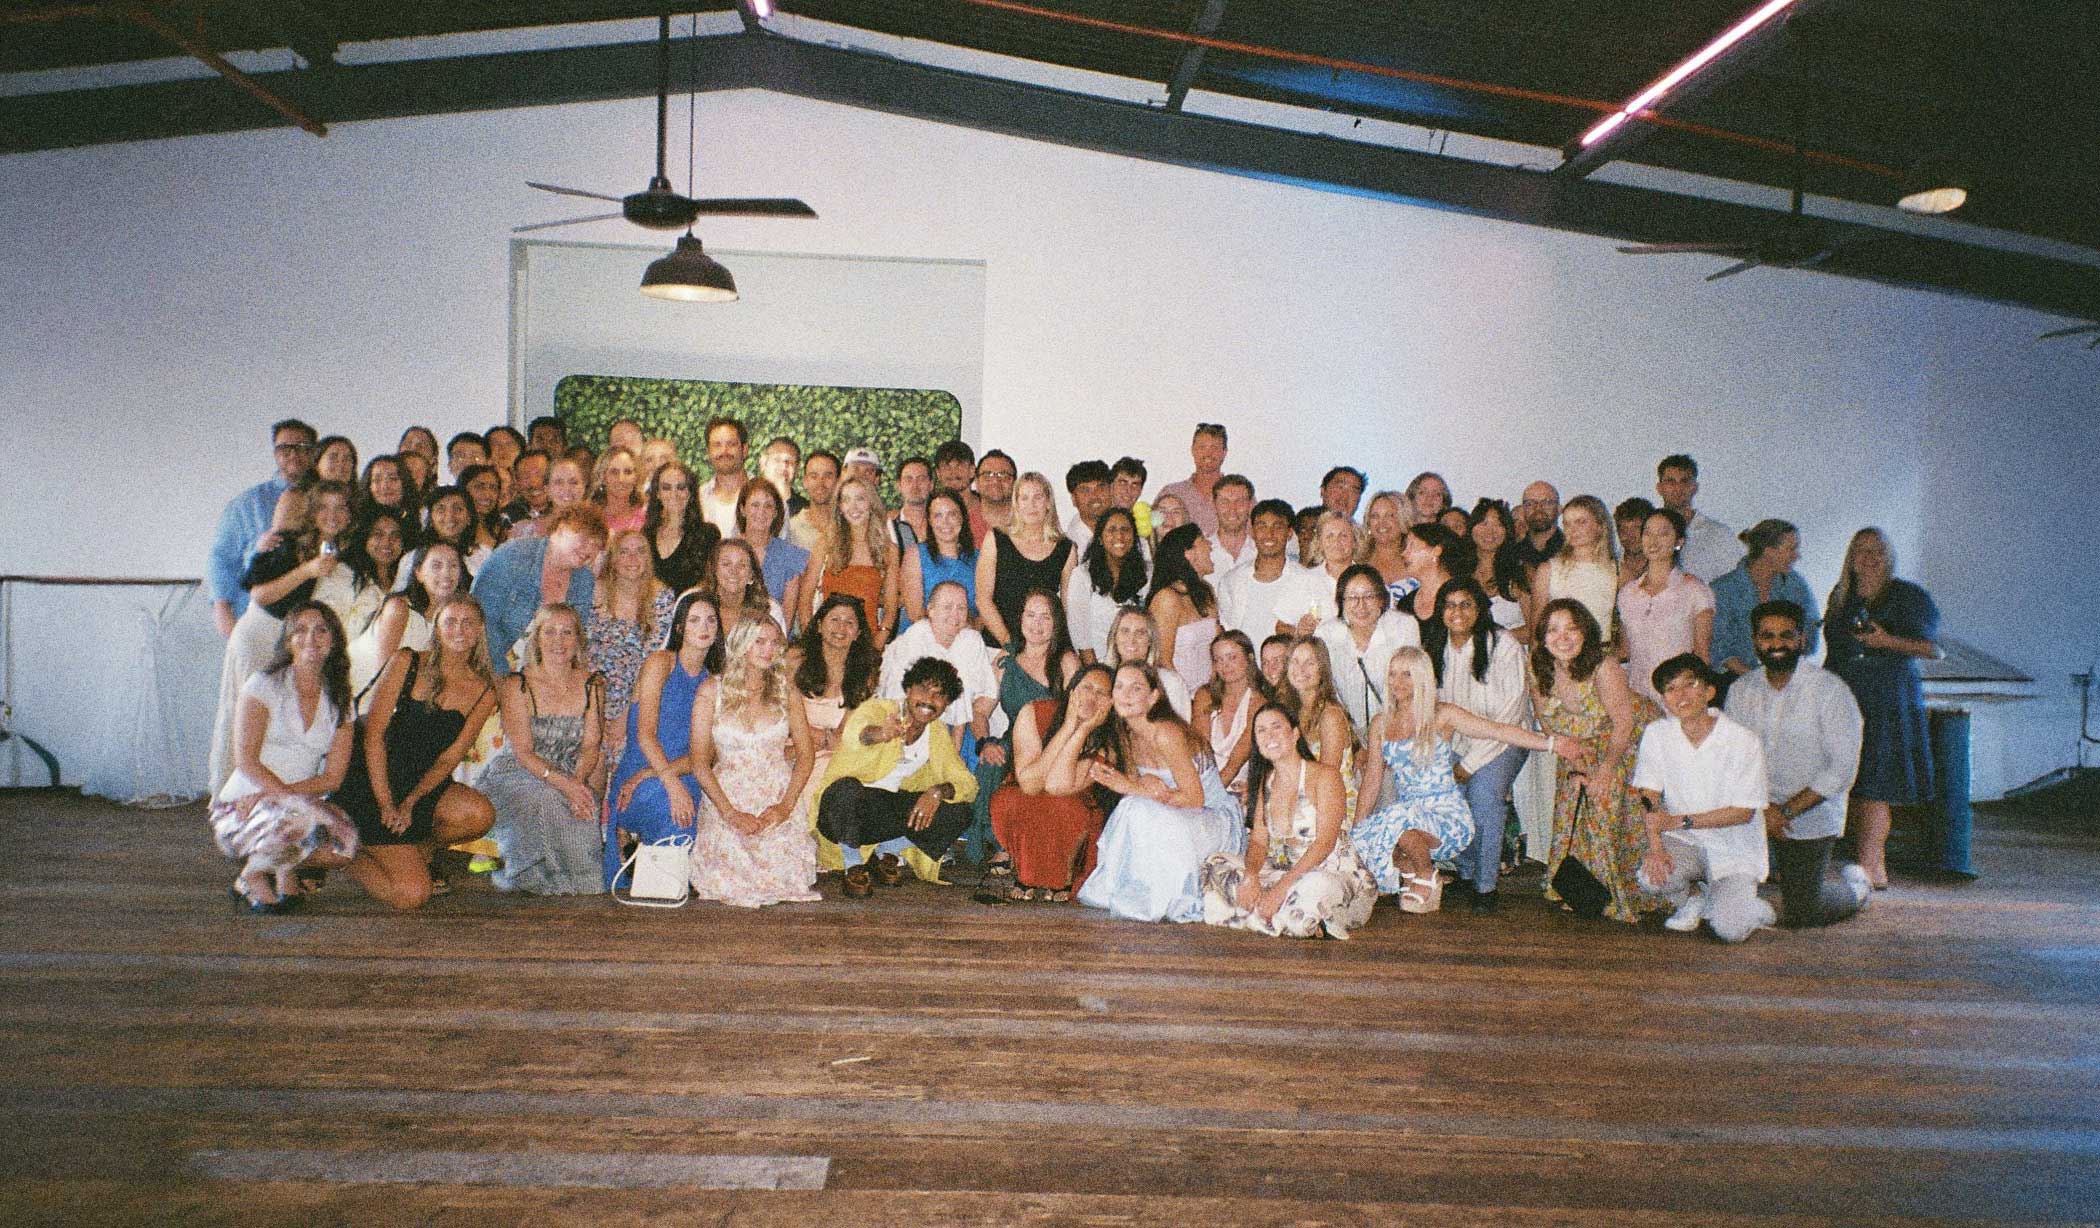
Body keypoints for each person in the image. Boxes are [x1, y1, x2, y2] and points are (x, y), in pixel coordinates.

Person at [1354, 648, 1577, 911]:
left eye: (1407, 674)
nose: (1397, 682)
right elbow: (1372, 780)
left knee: (1397, 819)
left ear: (1422, 677)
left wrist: (1550, 744)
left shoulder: (1442, 714)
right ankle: (1409, 867)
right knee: (1366, 833)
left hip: (1446, 817)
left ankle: (1426, 873)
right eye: (1392, 674)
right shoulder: (1380, 723)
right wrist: (1358, 827)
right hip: (1408, 814)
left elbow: (1496, 731)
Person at [327, 596, 499, 909]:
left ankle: (417, 853)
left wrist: (410, 802)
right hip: (371, 778)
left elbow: (449, 758)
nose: (459, 630)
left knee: (480, 814)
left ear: (479, 631)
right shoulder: (408, 661)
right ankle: (346, 855)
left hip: (420, 784)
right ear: (437, 627)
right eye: (450, 622)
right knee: (412, 895)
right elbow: (373, 735)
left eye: (468, 623)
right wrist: (386, 803)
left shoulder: (484, 690)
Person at [1725, 600, 1873, 927]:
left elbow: (1841, 770)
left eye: (1786, 635)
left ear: (1802, 639)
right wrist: (1763, 811)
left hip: (1809, 813)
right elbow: (1733, 759)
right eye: (1767, 636)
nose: (1776, 644)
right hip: (1755, 810)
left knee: (1804, 910)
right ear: (1755, 641)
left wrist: (1786, 811)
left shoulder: (1831, 691)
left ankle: (1857, 888)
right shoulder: (1740, 691)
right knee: (1726, 888)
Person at [208, 480, 359, 792]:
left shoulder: (347, 553)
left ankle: (280, 796)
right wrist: (308, 571)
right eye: (323, 507)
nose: (332, 515)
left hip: (301, 644)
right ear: (311, 512)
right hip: (263, 634)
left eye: (340, 507)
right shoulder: (288, 544)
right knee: (242, 722)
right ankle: (230, 799)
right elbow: (260, 594)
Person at [213, 602, 357, 910]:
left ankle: (278, 867)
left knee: (345, 845)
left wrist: (283, 796)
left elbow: (333, 777)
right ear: (288, 640)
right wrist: (280, 798)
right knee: (300, 819)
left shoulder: (341, 697)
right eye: (300, 630)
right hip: (244, 802)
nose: (311, 639)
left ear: (334, 640)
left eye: (321, 630)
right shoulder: (263, 685)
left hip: (289, 801)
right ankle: (254, 875)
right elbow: (246, 760)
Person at [1076, 662, 1244, 922]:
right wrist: (1138, 786)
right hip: (1174, 816)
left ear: (1153, 697)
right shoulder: (1127, 735)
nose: (1126, 695)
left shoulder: (1165, 733)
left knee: (1138, 806)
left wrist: (1131, 787)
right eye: (1119, 687)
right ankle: (1134, 891)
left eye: (1136, 688)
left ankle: (1163, 899)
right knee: (1133, 807)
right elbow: (1143, 789)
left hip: (1212, 819)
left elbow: (1195, 800)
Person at [1824, 527, 1941, 888]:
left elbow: (1933, 649)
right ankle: (1860, 864)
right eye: (1862, 550)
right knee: (1852, 780)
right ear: (1851, 557)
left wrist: (1887, 641)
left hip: (1889, 699)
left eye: (1877, 551)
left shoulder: (1908, 596)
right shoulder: (1841, 596)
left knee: (1877, 784)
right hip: (1847, 695)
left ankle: (1873, 867)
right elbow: (1834, 652)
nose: (1869, 558)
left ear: (1889, 556)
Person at [1199, 701, 1376, 939]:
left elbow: (1324, 844)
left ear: (1294, 734)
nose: (1269, 736)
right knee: (1214, 864)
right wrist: (1251, 877)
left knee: (1314, 886)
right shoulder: (1266, 782)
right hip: (1283, 873)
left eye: (1276, 727)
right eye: (1261, 731)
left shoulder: (1325, 776)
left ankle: (1261, 915)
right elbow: (1259, 841)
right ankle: (1283, 917)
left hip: (1329, 874)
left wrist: (1280, 890)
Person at [1532, 598, 1661, 923]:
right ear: (1543, 638)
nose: (1562, 638)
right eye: (1553, 630)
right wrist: (1577, 762)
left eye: (1571, 629)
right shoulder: (1538, 668)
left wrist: (1604, 771)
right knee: (1574, 797)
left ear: (1586, 633)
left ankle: (1615, 891)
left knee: (1603, 797)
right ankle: (1580, 888)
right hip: (1575, 745)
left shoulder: (1604, 667)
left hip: (1625, 741)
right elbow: (1548, 725)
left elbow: (1624, 724)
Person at [1632, 654, 1775, 942]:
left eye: (1690, 685)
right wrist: (1656, 848)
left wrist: (1679, 821)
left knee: (1730, 931)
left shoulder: (1743, 740)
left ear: (1709, 691)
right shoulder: (1658, 733)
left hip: (1734, 849)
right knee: (1650, 877)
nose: (1680, 695)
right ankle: (1692, 898)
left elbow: (1743, 813)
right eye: (1671, 689)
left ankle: (1748, 907)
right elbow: (1648, 796)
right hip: (1686, 841)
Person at [816, 657, 980, 898]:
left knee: (960, 811)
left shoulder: (936, 732)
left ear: (946, 704)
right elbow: (857, 734)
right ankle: (853, 865)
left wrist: (937, 792)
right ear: (908, 689)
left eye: (940, 695)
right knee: (846, 789)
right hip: (844, 812)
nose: (929, 699)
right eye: (923, 689)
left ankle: (888, 854)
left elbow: (967, 783)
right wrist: (882, 733)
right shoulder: (879, 709)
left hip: (888, 810)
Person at [687, 617, 823, 907]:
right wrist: (729, 813)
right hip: (727, 796)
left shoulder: (786, 691)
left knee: (782, 875)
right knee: (731, 877)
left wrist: (785, 806)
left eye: (774, 643)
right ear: (741, 643)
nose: (768, 650)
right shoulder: (711, 691)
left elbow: (806, 754)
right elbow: (699, 762)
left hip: (776, 793)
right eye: (759, 641)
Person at [480, 603, 605, 895]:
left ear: (578, 639)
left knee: (582, 805)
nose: (558, 641)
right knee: (548, 798)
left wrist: (577, 784)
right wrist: (565, 786)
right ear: (536, 639)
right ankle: (531, 875)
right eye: (550, 632)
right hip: (520, 772)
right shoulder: (516, 684)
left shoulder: (593, 684)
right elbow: (523, 752)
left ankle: (583, 885)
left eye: (567, 632)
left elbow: (591, 746)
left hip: (572, 770)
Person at [1425, 577, 1531, 910]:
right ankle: (1466, 870)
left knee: (1484, 796)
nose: (1457, 612)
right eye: (1449, 605)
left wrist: (1469, 765)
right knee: (1440, 796)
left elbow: (1511, 715)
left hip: (1506, 741)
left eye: (1466, 604)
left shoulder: (1503, 645)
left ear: (1480, 609)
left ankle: (1486, 885)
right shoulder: (1436, 646)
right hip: (1456, 741)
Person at [607, 591, 725, 883]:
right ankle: (636, 853)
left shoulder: (715, 682)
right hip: (639, 774)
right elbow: (645, 735)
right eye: (694, 620)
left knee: (696, 821)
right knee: (676, 815)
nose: (704, 627)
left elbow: (706, 755)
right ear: (680, 627)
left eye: (711, 620)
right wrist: (668, 783)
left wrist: (660, 777)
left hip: (682, 773)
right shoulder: (660, 663)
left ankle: (652, 870)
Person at [970, 587, 1081, 872]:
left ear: (1056, 622)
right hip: (1016, 742)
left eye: (1045, 617)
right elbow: (980, 711)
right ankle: (1003, 846)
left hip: (1056, 742)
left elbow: (1079, 714)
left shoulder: (1066, 660)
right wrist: (984, 742)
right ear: (1020, 619)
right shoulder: (1005, 660)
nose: (1037, 624)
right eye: (1030, 615)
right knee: (993, 759)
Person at [988, 662, 1113, 900]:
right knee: (1013, 800)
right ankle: (1026, 872)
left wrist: (1082, 730)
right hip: (1027, 791)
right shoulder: (1034, 711)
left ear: (1110, 703)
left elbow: (1057, 786)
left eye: (1101, 693)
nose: (1091, 698)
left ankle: (1062, 876)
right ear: (1072, 690)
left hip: (1074, 803)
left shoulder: (1110, 738)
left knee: (1062, 805)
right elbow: (1029, 784)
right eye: (1086, 688)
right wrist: (1067, 726)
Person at [878, 581, 1003, 774]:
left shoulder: (971, 640)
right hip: (910, 723)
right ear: (931, 610)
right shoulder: (915, 636)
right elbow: (898, 700)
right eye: (947, 607)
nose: (955, 614)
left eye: (961, 608)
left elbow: (969, 700)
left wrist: (954, 752)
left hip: (958, 728)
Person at [471, 503, 607, 677]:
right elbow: (481, 621)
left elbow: (575, 639)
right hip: (491, 668)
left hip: (545, 676)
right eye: (584, 538)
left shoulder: (584, 579)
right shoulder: (513, 556)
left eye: (596, 545)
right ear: (560, 530)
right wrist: (503, 678)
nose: (589, 549)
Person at [209, 418, 315, 637]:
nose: (293, 454)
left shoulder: (327, 501)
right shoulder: (248, 504)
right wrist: (223, 612)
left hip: (311, 625)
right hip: (256, 620)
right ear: (275, 453)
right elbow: (221, 560)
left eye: (302, 447)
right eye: (284, 448)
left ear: (314, 452)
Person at [1619, 508, 1717, 705]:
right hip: (1637, 696)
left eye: (1663, 534)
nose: (1653, 541)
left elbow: (1702, 656)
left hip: (1678, 696)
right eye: (1648, 533)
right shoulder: (1627, 593)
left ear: (1679, 542)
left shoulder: (1695, 590)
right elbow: (1625, 651)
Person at [349, 541, 464, 703]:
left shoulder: (447, 621)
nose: (446, 573)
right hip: (361, 699)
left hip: (398, 702)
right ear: (419, 573)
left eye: (453, 566)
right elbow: (382, 677)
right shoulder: (398, 608)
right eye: (436, 566)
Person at [1315, 563, 1420, 738]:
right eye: (1352, 597)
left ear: (1381, 599)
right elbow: (1325, 692)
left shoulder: (1403, 627)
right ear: (1341, 602)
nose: (1361, 605)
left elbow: (1415, 686)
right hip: (1349, 735)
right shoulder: (1326, 635)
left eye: (1369, 596)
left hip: (1399, 731)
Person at [1710, 519, 1821, 685]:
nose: (1797, 556)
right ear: (1769, 552)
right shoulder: (1723, 589)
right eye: (1791, 549)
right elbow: (1718, 647)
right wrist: (1759, 681)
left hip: (1785, 678)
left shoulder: (1794, 584)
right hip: (1736, 680)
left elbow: (1810, 627)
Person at [977, 472, 1075, 649]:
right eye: (1024, 498)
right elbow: (983, 600)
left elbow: (1066, 609)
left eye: (1038, 497)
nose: (1031, 505)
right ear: (1016, 503)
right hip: (998, 645)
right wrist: (1011, 646)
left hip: (1043, 647)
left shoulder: (1066, 548)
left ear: (1048, 503)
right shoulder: (996, 539)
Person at [805, 476, 900, 645]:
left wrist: (879, 642)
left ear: (871, 503)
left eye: (860, 499)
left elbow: (891, 607)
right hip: (827, 642)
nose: (853, 507)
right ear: (840, 507)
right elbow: (805, 598)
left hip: (867, 643)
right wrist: (811, 640)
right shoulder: (825, 544)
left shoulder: (888, 550)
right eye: (846, 500)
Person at [1277, 634, 1358, 821]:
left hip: (1330, 808)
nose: (1301, 669)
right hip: (1298, 798)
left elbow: (1326, 781)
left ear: (1322, 669)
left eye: (1310, 663)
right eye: (1295, 661)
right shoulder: (1288, 711)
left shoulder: (1330, 716)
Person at [1529, 494, 1619, 648]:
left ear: (1600, 526)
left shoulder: (1618, 570)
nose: (1573, 530)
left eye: (1581, 522)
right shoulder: (1548, 569)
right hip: (1560, 652)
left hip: (1602, 653)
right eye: (1567, 524)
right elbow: (1537, 630)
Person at [1064, 505, 1145, 662]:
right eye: (1111, 530)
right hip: (1097, 665)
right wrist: (1097, 673)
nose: (1119, 536)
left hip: (1136, 665)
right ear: (1100, 538)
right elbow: (1081, 640)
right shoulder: (1082, 576)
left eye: (1125, 529)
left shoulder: (1145, 575)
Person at [1148, 523, 1220, 692]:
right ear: (1188, 553)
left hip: (1209, 695)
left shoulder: (1206, 592)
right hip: (1178, 695)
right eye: (1203, 539)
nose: (1210, 545)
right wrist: (1184, 698)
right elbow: (1162, 660)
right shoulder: (1167, 598)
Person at [1191, 630, 1263, 798]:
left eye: (1232, 657)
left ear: (1249, 658)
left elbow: (1234, 765)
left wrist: (1207, 798)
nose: (1225, 665)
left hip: (1235, 788)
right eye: (1219, 660)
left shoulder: (1259, 703)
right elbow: (1202, 751)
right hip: (1202, 779)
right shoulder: (1204, 695)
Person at [1217, 499, 1300, 642]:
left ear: (1289, 533)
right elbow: (1226, 631)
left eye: (1277, 527)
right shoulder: (1231, 581)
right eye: (1262, 527)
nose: (1269, 534)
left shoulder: (1305, 580)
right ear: (1253, 531)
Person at [899, 489, 980, 633]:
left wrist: (967, 635)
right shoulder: (915, 555)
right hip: (923, 637)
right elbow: (915, 613)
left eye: (952, 514)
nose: (945, 522)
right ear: (929, 520)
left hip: (967, 637)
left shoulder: (979, 558)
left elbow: (984, 613)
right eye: (938, 515)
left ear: (962, 517)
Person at [1272, 511, 1359, 637]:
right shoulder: (1303, 580)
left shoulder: (1369, 580)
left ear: (1355, 541)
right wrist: (1299, 631)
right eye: (1329, 536)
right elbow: (1280, 627)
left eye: (1343, 535)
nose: (1336, 542)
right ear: (1319, 544)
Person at [1656, 454, 1738, 582]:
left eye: (1685, 481)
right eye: (1670, 482)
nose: (1678, 488)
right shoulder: (1646, 534)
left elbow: (1733, 582)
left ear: (1695, 488)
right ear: (1659, 488)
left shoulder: (1719, 534)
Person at [644, 460, 719, 594]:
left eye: (681, 487)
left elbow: (711, 582)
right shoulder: (646, 535)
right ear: (657, 494)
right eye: (666, 488)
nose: (674, 494)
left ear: (690, 493)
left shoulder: (708, 534)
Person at [1106, 606, 1192, 720]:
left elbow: (1182, 727)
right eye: (1125, 631)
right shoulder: (1104, 679)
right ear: (1115, 637)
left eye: (1140, 633)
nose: (1132, 639)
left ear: (1150, 641)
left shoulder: (1170, 682)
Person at [735, 478, 807, 612]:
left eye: (768, 506)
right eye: (755, 505)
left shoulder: (790, 556)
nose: (761, 512)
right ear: (742, 509)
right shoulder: (725, 551)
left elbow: (786, 618)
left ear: (775, 513)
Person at [1466, 498, 1531, 641]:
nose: (1490, 531)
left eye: (1498, 524)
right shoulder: (1457, 572)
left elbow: (1534, 629)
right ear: (1471, 528)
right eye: (1484, 523)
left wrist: (1490, 639)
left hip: (1513, 653)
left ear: (1507, 531)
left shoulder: (1520, 572)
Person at [1394, 523, 1474, 633]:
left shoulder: (1466, 597)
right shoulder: (1405, 604)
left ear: (1436, 551)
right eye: (1405, 547)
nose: (1404, 553)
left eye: (1412, 546)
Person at [1152, 422, 1228, 536]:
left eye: (1214, 448)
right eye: (1202, 447)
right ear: (1192, 450)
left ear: (1224, 452)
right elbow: (1152, 533)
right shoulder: (1171, 493)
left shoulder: (1239, 496)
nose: (1208, 453)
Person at [707, 537, 786, 642]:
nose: (734, 571)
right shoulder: (695, 604)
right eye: (726, 564)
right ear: (714, 570)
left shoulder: (771, 609)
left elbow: (778, 650)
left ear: (751, 575)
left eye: (742, 565)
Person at [509, 455, 588, 540]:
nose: (566, 489)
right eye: (558, 482)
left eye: (574, 482)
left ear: (584, 486)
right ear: (547, 489)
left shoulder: (597, 528)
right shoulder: (526, 530)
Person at [695, 416, 751, 536]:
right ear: (708, 452)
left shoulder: (768, 497)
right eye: (717, 445)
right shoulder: (698, 499)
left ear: (745, 449)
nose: (724, 451)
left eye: (731, 444)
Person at [1360, 491, 1417, 606]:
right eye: (1375, 516)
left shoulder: (1418, 560)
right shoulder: (1358, 562)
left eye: (1390, 515)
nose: (1381, 523)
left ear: (1403, 519)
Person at [786, 450, 841, 551]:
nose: (820, 483)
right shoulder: (790, 530)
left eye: (827, 476)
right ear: (805, 482)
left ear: (838, 482)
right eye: (814, 476)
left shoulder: (849, 528)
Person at [1205, 474, 1257, 573]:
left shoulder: (1261, 552)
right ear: (1214, 505)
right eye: (1224, 502)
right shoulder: (1202, 553)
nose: (1232, 509)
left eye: (1240, 502)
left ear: (1250, 506)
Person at [590, 446, 645, 535]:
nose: (621, 479)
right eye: (614, 472)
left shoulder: (647, 518)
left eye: (628, 472)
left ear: (636, 477)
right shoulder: (590, 517)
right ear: (603, 477)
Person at [1062, 459, 1113, 550]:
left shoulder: (1129, 531)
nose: (1094, 495)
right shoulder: (1067, 547)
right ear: (1074, 499)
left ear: (1111, 491)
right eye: (1085, 490)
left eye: (1100, 487)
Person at [1514, 481, 1564, 570]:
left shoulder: (1572, 549)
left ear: (1559, 509)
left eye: (1547, 503)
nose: (1538, 508)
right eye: (1530, 504)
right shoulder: (1512, 553)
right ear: (1523, 510)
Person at [890, 455, 933, 555]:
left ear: (931, 485)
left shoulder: (943, 525)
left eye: (921, 479)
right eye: (908, 479)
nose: (915, 486)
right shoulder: (888, 528)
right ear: (899, 486)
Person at [757, 435, 807, 519]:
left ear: (797, 469)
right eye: (777, 460)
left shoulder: (806, 510)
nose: (784, 466)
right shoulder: (746, 502)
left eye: (790, 461)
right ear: (763, 463)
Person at [1614, 497, 1657, 591]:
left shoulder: (1664, 567)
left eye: (1636, 528)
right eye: (1624, 529)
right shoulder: (1611, 566)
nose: (1630, 535)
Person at [974, 450, 1019, 537]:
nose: (995, 481)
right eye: (987, 474)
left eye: (1003, 474)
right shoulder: (961, 524)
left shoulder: (1029, 522)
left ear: (1015, 483)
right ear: (977, 483)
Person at [505, 448, 552, 528]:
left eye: (539, 474)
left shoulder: (568, 514)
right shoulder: (507, 517)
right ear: (517, 482)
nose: (534, 483)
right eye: (525, 476)